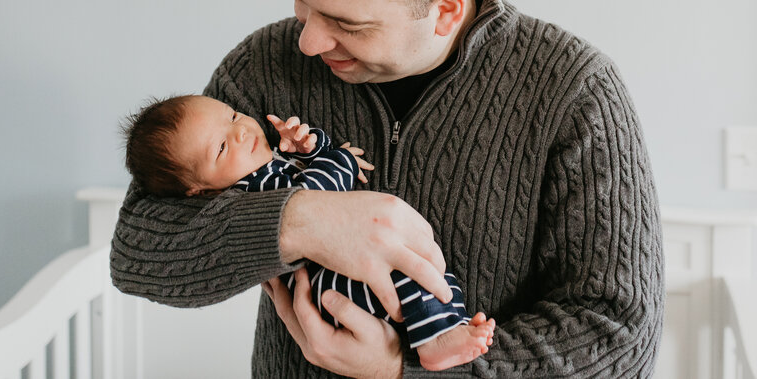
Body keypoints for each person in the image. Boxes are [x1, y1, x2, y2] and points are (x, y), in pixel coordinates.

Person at [111, 0, 664, 378]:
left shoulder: (574, 92)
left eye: (347, 24)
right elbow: (139, 249)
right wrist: (301, 221)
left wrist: (402, 370)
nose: (307, 40)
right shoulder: (263, 65)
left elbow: (619, 336)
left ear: (444, 11)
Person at [120, 94, 496, 371]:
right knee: (413, 272)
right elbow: (317, 192)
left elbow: (307, 179)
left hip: (337, 285)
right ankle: (436, 339)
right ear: (200, 191)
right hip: (334, 286)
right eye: (220, 147)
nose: (239, 132)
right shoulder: (248, 189)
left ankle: (442, 332)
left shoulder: (263, 167)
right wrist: (341, 159)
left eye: (233, 115)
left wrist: (313, 147)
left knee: (423, 271)